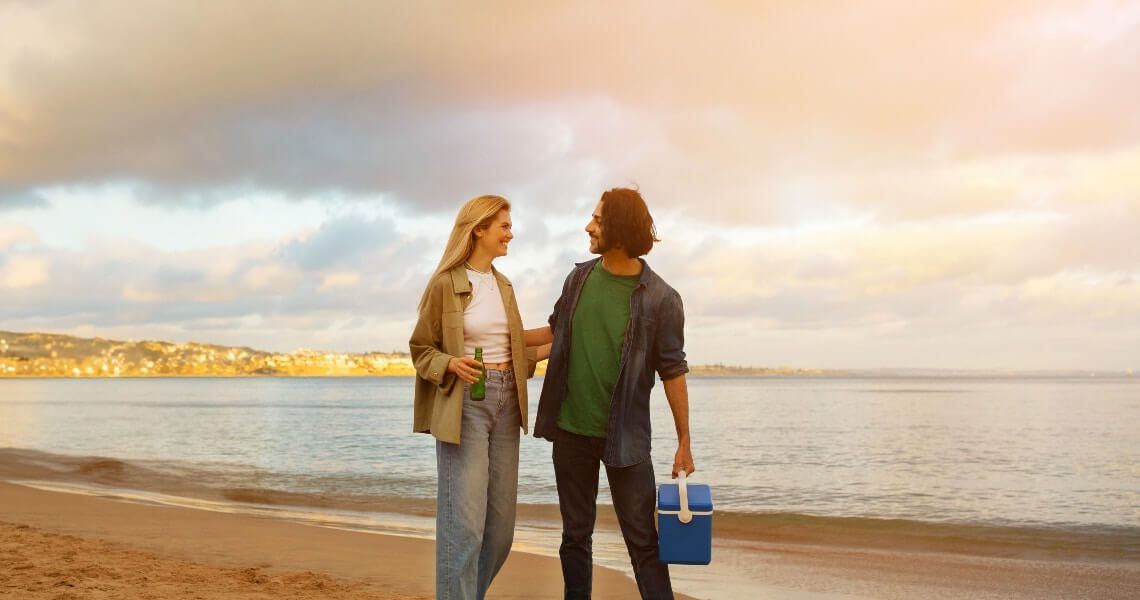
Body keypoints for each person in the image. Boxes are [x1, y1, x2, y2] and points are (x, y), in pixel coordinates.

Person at [525, 187, 694, 600]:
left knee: (644, 545)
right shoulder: (578, 278)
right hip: (571, 431)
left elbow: (673, 370)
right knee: (575, 538)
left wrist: (684, 441)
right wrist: (493, 332)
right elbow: (555, 331)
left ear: (619, 230)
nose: (589, 226)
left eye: (598, 220)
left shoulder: (661, 299)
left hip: (627, 438)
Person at [410, 194, 549, 600]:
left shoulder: (504, 286)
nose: (511, 233)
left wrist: (564, 338)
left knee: (500, 531)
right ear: (479, 230)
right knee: (464, 526)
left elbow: (515, 350)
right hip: (466, 404)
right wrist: (450, 364)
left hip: (508, 404)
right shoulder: (446, 284)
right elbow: (421, 348)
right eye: (503, 226)